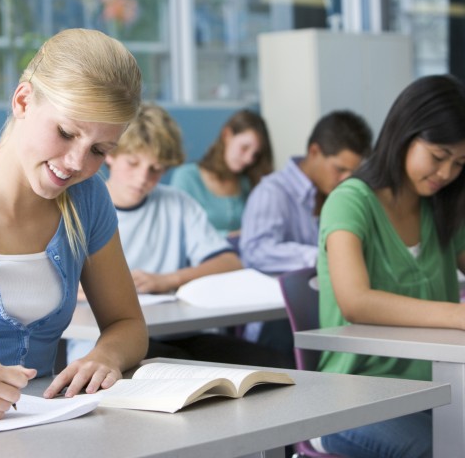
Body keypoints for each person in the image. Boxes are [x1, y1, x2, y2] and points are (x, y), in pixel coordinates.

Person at [0, 28, 148, 421]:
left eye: (98, 150)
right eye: (66, 132)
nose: (76, 163)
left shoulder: (86, 200)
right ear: (23, 102)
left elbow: (127, 324)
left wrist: (105, 355)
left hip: (45, 427)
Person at [67, 102, 294, 368]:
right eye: (133, 163)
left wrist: (168, 280)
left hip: (182, 333)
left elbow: (230, 262)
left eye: (156, 169)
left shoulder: (177, 203)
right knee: (179, 367)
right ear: (110, 154)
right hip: (104, 340)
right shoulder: (81, 204)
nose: (143, 178)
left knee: (273, 363)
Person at [314, 74, 465, 458]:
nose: (446, 173)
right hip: (354, 395)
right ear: (404, 134)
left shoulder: (442, 206)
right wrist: (457, 315)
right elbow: (356, 302)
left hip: (440, 385)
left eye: (460, 163)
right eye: (438, 157)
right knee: (442, 448)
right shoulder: (350, 201)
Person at [239, 110, 372, 358]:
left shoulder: (344, 197)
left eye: (353, 173)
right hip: (277, 321)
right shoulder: (272, 192)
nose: (346, 179)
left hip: (326, 313)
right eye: (340, 169)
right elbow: (255, 251)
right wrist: (327, 256)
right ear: (314, 152)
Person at [170, 109, 273, 236]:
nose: (248, 159)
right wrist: (232, 235)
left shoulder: (247, 183)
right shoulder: (187, 177)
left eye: (255, 154)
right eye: (244, 148)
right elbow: (179, 231)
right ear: (227, 135)